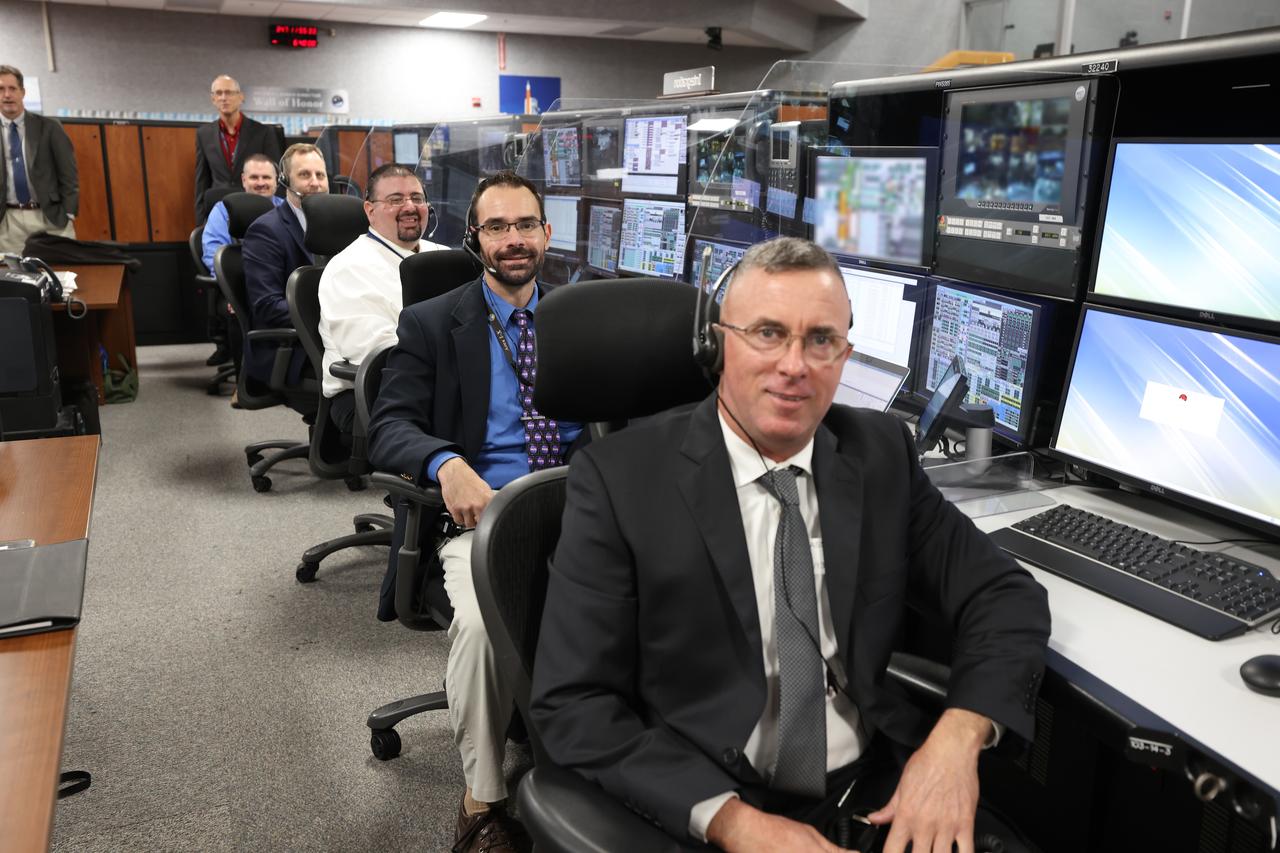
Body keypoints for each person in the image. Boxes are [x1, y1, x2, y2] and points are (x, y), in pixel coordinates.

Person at [531, 237, 1051, 853]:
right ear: (718, 342)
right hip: (709, 799)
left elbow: (1002, 593)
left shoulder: (878, 452)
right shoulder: (620, 479)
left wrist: (956, 740)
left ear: (846, 355)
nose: (795, 365)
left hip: (872, 792)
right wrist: (736, 824)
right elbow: (574, 703)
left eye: (821, 340)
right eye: (768, 333)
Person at [368, 170, 585, 853]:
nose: (514, 239)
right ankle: (483, 799)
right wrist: (445, 462)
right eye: (497, 227)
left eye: (526, 224)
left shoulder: (583, 320)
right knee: (487, 625)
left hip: (583, 511)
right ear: (474, 239)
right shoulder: (433, 322)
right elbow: (389, 423)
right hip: (483, 519)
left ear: (547, 234)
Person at [317, 163, 447, 436]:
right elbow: (379, 354)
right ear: (369, 210)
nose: (410, 207)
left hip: (443, 383)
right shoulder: (348, 268)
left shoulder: (443, 256)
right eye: (395, 200)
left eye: (417, 198)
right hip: (372, 396)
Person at [241, 142, 328, 402]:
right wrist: (332, 316)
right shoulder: (266, 231)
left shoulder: (337, 225)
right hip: (291, 348)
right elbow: (268, 306)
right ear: (284, 181)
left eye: (320, 175)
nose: (315, 183)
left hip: (333, 339)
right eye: (304, 175)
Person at [0, 65, 78, 256]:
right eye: (1, 89)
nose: (7, 95)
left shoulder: (49, 127)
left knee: (63, 277)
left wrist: (69, 212)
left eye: (12, 88)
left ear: (23, 92)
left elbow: (68, 172)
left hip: (50, 217)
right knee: (16, 281)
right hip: (8, 222)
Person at [194, 74, 282, 224]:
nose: (223, 97)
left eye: (228, 92)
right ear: (213, 99)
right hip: (220, 209)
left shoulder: (262, 132)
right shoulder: (204, 134)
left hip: (255, 209)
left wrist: (279, 215)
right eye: (218, 93)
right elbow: (201, 179)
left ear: (241, 97)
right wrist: (200, 220)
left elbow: (275, 175)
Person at [201, 153, 281, 274]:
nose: (260, 183)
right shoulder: (223, 210)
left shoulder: (286, 208)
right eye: (254, 177)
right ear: (244, 180)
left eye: (266, 177)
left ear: (276, 180)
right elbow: (214, 255)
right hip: (240, 280)